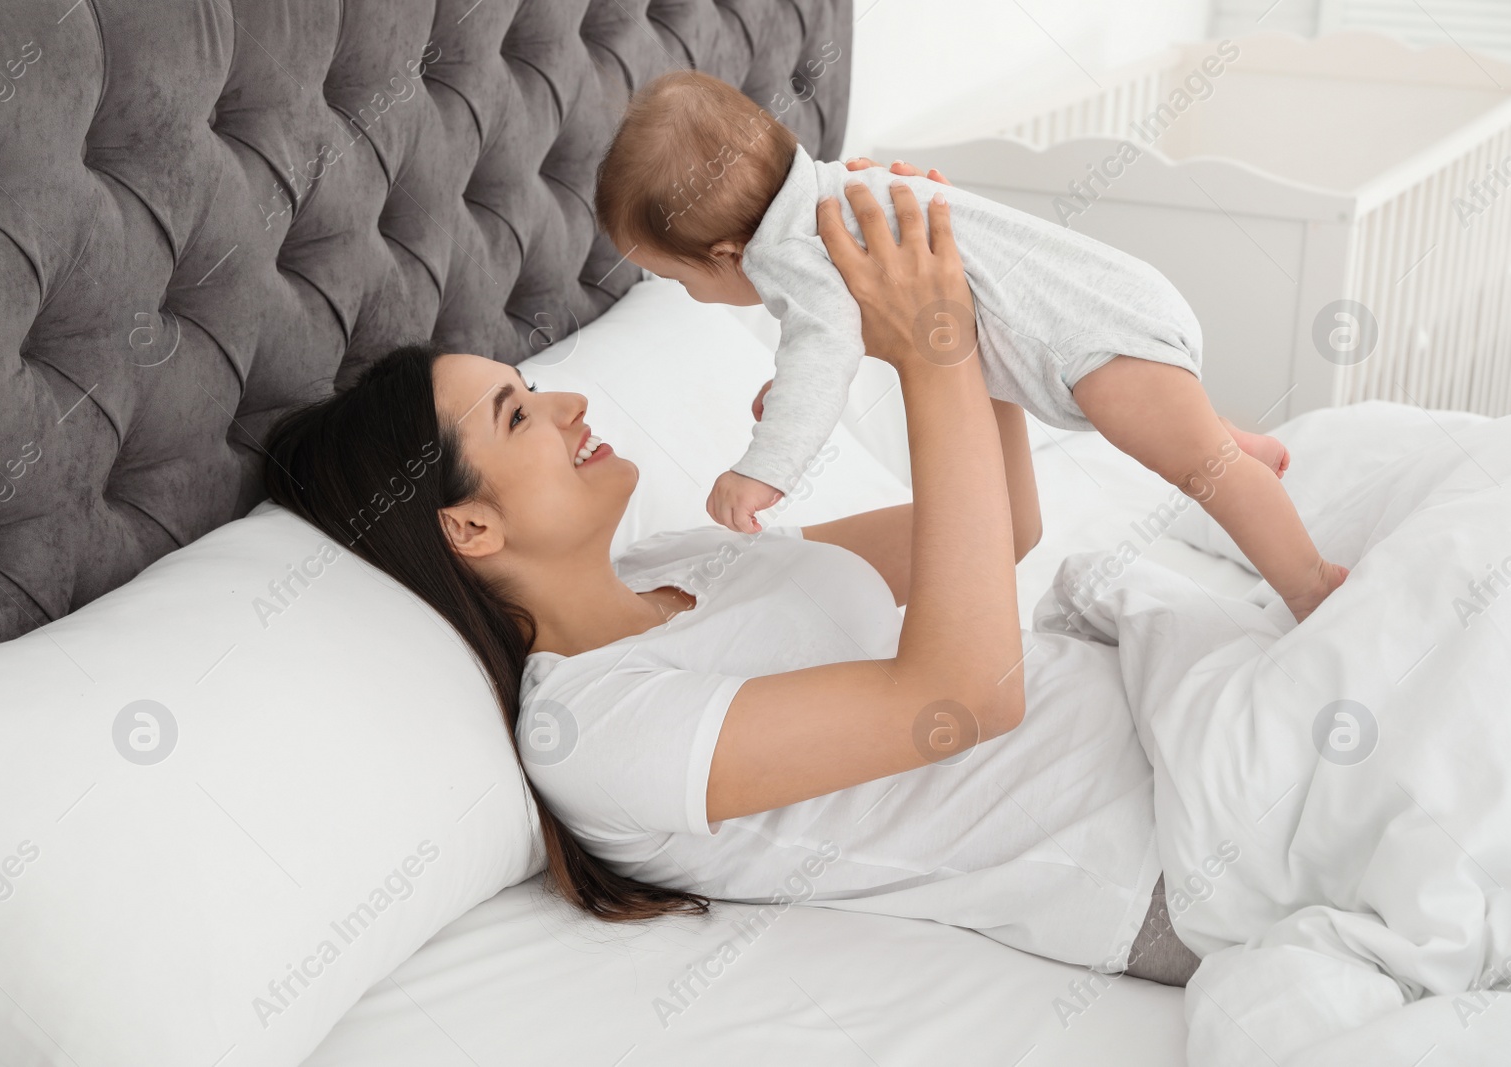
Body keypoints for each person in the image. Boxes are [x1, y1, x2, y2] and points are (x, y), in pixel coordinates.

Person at [263, 171, 1199, 985]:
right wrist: (931, 351)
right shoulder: (592, 730)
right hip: (1165, 842)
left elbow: (1001, 531)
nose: (569, 402)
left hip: (1164, 705)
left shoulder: (669, 561)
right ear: (468, 525)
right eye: (517, 415)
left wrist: (959, 300)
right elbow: (962, 700)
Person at [593, 70, 1347, 621]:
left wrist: (764, 470)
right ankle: (1240, 443)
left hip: (1094, 340)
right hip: (1118, 306)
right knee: (1186, 439)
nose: (685, 294)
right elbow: (826, 349)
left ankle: (1311, 583)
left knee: (1198, 470)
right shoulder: (841, 189)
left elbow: (824, 350)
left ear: (728, 252)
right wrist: (789, 398)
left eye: (676, 276)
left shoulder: (799, 247)